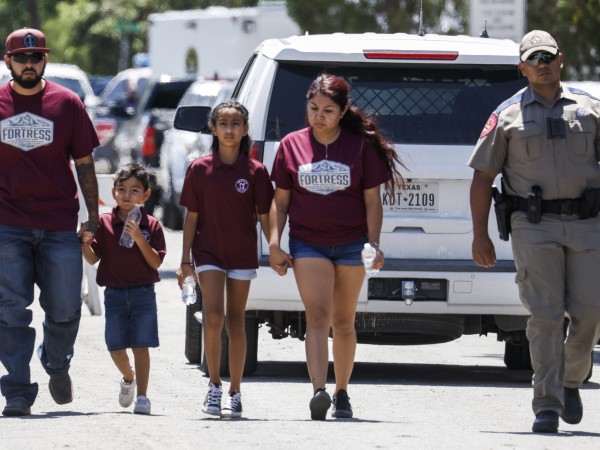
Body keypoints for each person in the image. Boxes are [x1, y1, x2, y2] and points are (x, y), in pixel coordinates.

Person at [468, 30, 600, 433]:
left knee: (591, 312)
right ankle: (546, 403)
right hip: (533, 225)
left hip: (587, 223)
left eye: (548, 56)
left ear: (561, 59)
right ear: (521, 68)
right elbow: (482, 178)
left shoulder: (591, 109)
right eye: (533, 58)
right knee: (544, 316)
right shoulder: (506, 116)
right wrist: (480, 235)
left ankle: (570, 379)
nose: (542, 63)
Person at [269, 73, 404, 420]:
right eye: (313, 108)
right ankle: (319, 390)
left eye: (328, 110)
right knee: (316, 316)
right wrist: (274, 242)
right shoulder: (290, 146)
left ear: (343, 112)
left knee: (343, 321)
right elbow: (280, 203)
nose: (319, 116)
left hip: (351, 244)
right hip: (308, 242)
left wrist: (373, 245)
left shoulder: (361, 147)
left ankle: (342, 392)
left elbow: (373, 201)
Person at [0, 28, 99, 417]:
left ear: (44, 59)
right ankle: (18, 391)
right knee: (10, 309)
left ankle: (56, 364)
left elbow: (85, 164)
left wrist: (92, 216)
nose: (29, 63)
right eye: (21, 58)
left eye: (36, 57)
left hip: (59, 224)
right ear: (8, 61)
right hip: (7, 224)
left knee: (64, 308)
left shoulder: (68, 103)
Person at [177, 101, 273, 419]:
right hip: (208, 254)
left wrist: (274, 246)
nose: (229, 129)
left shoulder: (256, 172)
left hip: (242, 254)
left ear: (245, 129)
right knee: (213, 316)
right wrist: (185, 261)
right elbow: (191, 218)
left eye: (235, 123)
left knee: (236, 321)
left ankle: (235, 391)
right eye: (222, 123)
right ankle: (214, 386)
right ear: (213, 129)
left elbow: (266, 214)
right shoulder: (200, 169)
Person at [79, 163, 166, 415]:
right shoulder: (104, 223)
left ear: (146, 195)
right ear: (114, 191)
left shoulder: (152, 225)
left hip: (143, 293)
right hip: (114, 294)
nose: (127, 195)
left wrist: (139, 237)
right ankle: (129, 378)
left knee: (141, 345)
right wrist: (84, 243)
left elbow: (156, 262)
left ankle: (143, 397)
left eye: (135, 190)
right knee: (115, 347)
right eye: (122, 189)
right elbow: (94, 258)